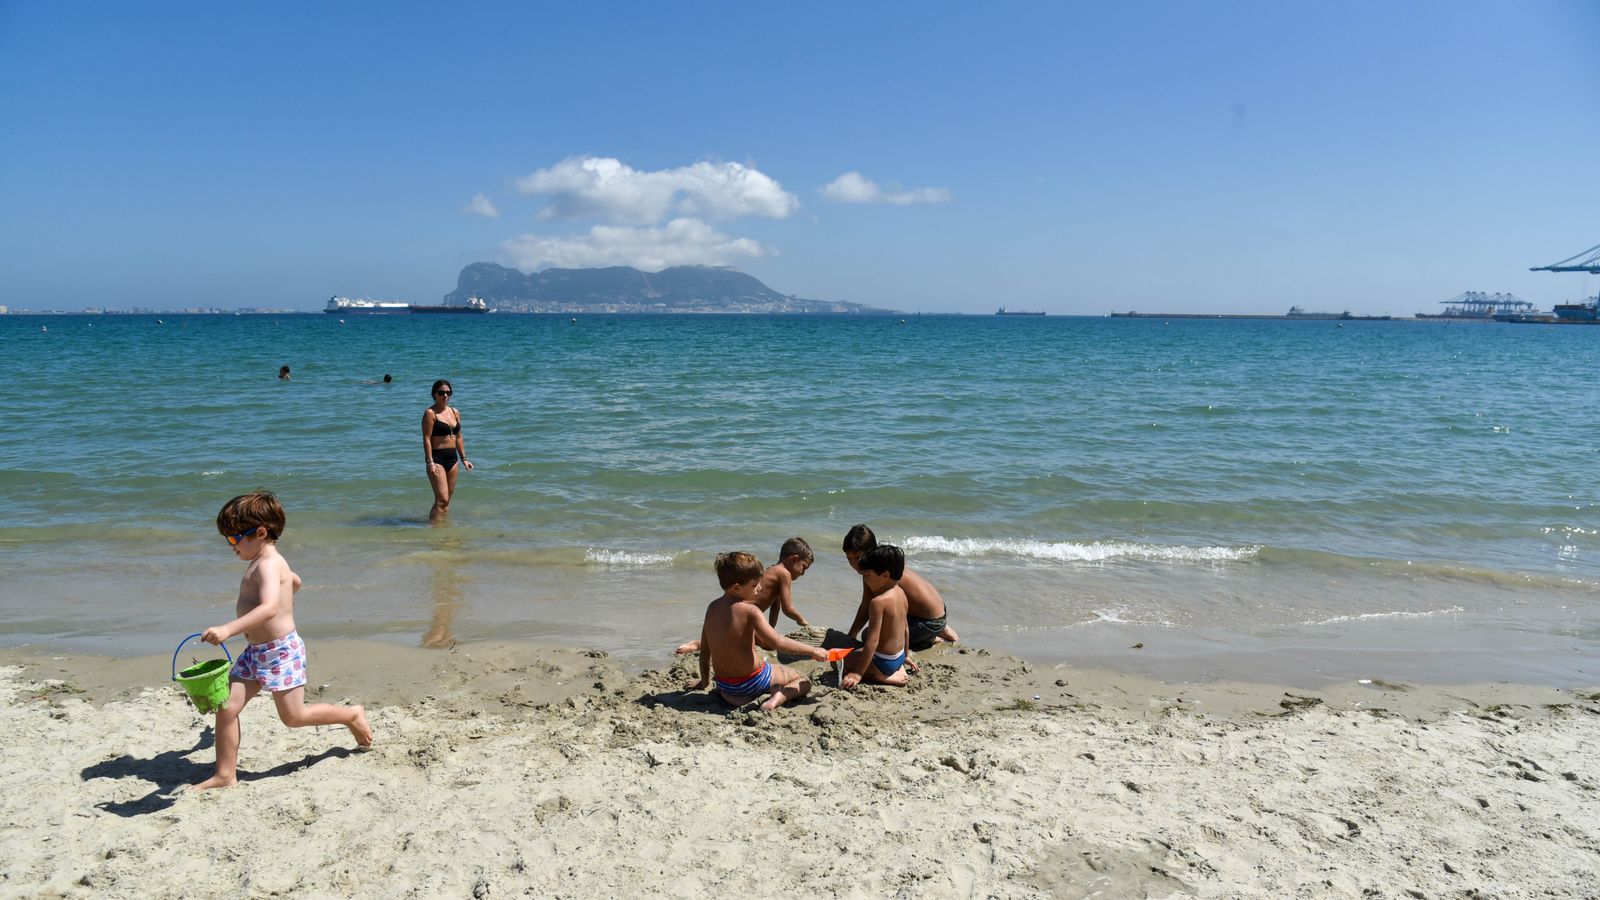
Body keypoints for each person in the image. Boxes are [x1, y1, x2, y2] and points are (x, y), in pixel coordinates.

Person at [191, 491, 372, 791]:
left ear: (260, 533)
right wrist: (288, 586)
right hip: (256, 652)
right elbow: (295, 581)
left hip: (280, 653)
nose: (231, 546)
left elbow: (269, 608)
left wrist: (227, 629)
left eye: (235, 539)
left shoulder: (266, 565)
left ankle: (351, 715)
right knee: (226, 707)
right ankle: (225, 774)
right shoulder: (273, 563)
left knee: (294, 717)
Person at [685, 551, 829, 711]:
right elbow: (777, 642)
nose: (760, 589)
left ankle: (739, 696)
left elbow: (705, 652)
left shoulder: (711, 608)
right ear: (736, 588)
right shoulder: (750, 610)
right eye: (754, 585)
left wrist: (704, 682)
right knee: (803, 680)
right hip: (753, 682)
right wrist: (813, 650)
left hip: (726, 687)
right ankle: (779, 697)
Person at [672, 537, 814, 655]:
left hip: (738, 611)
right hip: (742, 613)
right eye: (804, 567)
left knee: (733, 638)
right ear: (794, 559)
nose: (803, 573)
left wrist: (770, 628)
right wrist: (803, 621)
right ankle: (698, 644)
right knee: (761, 643)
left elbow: (775, 605)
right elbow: (787, 608)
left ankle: (700, 644)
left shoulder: (774, 570)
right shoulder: (784, 574)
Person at [843, 524, 958, 650]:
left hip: (929, 622)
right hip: (937, 609)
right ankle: (941, 628)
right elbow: (867, 604)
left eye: (858, 557)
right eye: (849, 559)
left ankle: (930, 638)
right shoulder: (887, 562)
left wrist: (851, 636)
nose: (854, 564)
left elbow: (867, 607)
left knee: (868, 636)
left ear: (871, 551)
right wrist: (852, 635)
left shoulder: (878, 574)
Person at [840, 544, 910, 689]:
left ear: (885, 575)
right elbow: (906, 629)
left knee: (840, 661)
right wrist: (906, 657)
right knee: (857, 651)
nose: (865, 580)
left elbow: (872, 641)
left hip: (884, 663)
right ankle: (898, 668)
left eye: (868, 575)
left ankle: (885, 676)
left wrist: (858, 673)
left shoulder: (878, 602)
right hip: (899, 656)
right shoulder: (901, 593)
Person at [423, 379, 472, 522]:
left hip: (453, 459)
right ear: (434, 394)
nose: (445, 395)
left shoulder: (455, 412)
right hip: (437, 459)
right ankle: (434, 530)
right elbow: (426, 438)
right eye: (441, 392)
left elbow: (459, 437)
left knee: (447, 500)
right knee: (441, 499)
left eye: (448, 392)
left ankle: (443, 531)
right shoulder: (430, 413)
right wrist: (430, 461)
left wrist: (464, 459)